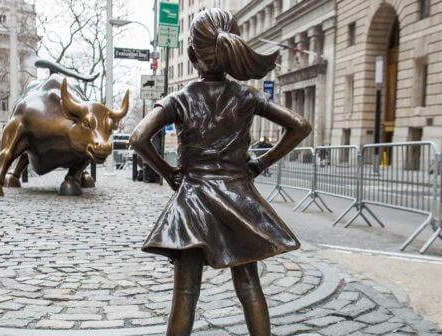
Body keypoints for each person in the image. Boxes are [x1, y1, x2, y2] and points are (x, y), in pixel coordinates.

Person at [130, 9, 311, 336]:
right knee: (249, 287)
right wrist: (260, 164)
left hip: (192, 202)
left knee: (185, 294)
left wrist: (169, 173)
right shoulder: (246, 96)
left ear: (191, 56)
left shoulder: (179, 99)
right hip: (238, 200)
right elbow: (300, 126)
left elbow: (138, 138)